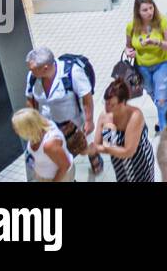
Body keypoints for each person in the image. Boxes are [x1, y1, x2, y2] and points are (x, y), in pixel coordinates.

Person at [24, 47, 103, 176]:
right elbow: (30, 99)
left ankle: (94, 156)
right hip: (49, 125)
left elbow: (86, 97)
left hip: (74, 123)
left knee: (85, 145)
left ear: (45, 68)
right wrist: (34, 122)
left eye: (32, 69)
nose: (30, 71)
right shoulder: (33, 77)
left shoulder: (73, 73)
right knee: (58, 152)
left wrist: (89, 120)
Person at [123, 0, 167, 133]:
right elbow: (128, 46)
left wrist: (156, 42)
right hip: (142, 68)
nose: (149, 12)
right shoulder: (131, 27)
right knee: (154, 95)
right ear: (138, 12)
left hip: (163, 64)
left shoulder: (162, 22)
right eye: (145, 10)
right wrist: (129, 52)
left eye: (151, 8)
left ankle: (166, 132)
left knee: (161, 99)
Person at [91, 79, 156, 182]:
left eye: (112, 105)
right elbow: (100, 145)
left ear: (123, 103)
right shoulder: (105, 116)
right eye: (106, 103)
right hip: (119, 163)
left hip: (139, 162)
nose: (108, 108)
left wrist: (102, 148)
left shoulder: (135, 116)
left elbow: (128, 151)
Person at [12, 107, 74, 182]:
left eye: (17, 128)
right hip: (44, 176)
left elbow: (65, 165)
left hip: (59, 178)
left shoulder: (49, 145)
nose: (15, 131)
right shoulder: (39, 129)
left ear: (28, 128)